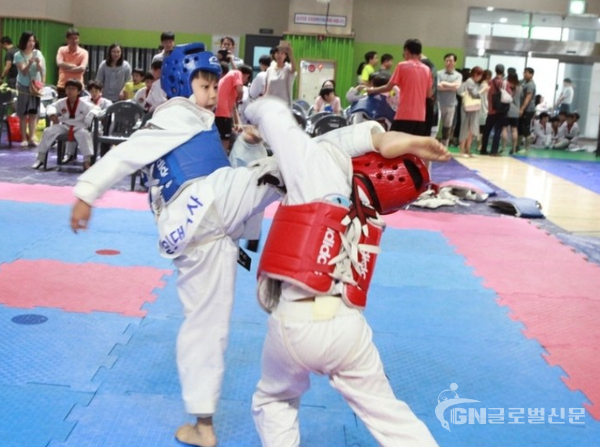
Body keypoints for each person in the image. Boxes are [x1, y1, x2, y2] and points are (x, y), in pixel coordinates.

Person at [69, 44, 286, 447]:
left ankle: (203, 425)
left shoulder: (195, 121)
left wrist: (247, 137)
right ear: (180, 86)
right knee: (285, 165)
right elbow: (128, 155)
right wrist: (86, 193)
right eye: (204, 86)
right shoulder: (174, 116)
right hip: (204, 208)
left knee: (207, 326)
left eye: (212, 86)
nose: (210, 94)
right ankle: (357, 152)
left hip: (208, 234)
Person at [245, 96, 450, 447]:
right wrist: (378, 137)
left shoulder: (317, 168)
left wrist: (249, 110)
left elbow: (277, 116)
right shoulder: (366, 211)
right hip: (346, 328)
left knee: (275, 400)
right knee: (391, 417)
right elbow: (338, 146)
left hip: (294, 322)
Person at [366, 39, 433, 136]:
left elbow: (389, 87)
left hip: (404, 115)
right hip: (421, 117)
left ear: (406, 50)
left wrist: (372, 90)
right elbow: (429, 94)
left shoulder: (402, 66)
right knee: (413, 147)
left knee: (394, 143)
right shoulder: (427, 69)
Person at [31, 79, 96, 170]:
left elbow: (97, 109)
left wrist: (91, 113)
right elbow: (51, 107)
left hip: (79, 126)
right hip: (65, 125)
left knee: (84, 134)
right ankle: (40, 159)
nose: (70, 91)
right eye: (68, 88)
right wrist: (52, 114)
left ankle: (86, 161)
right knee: (48, 131)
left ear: (78, 92)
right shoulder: (61, 102)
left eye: (73, 89)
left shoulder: (85, 104)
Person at [13, 31, 46, 147]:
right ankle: (23, 138)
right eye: (29, 41)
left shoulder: (38, 53)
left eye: (33, 40)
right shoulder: (18, 55)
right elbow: (23, 71)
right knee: (23, 113)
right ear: (24, 42)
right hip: (23, 85)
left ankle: (31, 137)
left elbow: (41, 70)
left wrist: (37, 63)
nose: (31, 43)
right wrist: (30, 62)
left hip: (35, 86)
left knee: (33, 113)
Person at [215, 64, 253, 151]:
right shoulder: (237, 73)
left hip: (218, 112)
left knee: (221, 139)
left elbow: (233, 106)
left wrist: (238, 122)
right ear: (246, 75)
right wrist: (240, 96)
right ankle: (222, 161)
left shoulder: (228, 79)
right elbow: (240, 90)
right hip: (223, 114)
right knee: (225, 141)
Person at [480, 64, 511, 156]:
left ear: (495, 70)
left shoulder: (490, 82)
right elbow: (508, 95)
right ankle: (494, 151)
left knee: (486, 131)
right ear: (503, 71)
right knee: (497, 131)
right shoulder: (505, 83)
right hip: (501, 111)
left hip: (491, 110)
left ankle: (483, 149)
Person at [457, 66, 483, 158]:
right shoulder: (470, 82)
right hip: (468, 108)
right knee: (466, 129)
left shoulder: (470, 82)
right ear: (476, 74)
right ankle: (462, 150)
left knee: (470, 129)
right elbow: (475, 94)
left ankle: (467, 150)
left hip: (471, 108)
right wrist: (483, 90)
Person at [437, 53, 462, 147]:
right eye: (447, 60)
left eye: (451, 61)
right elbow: (438, 87)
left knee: (447, 127)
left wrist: (444, 83)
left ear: (455, 62)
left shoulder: (458, 75)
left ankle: (444, 147)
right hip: (438, 103)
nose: (448, 63)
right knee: (434, 127)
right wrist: (451, 86)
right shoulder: (439, 73)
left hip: (451, 105)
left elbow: (457, 87)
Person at [56, 28, 89, 98]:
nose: (74, 41)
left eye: (76, 38)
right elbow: (59, 63)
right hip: (63, 86)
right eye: (71, 38)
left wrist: (67, 69)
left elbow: (82, 68)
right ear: (67, 40)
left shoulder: (84, 52)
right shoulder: (61, 49)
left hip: (78, 87)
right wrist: (74, 66)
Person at [264, 42, 296, 106]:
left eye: (282, 53)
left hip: (283, 103)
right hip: (271, 103)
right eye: (277, 53)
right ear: (274, 55)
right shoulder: (270, 70)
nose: (279, 55)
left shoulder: (287, 68)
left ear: (285, 56)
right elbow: (266, 88)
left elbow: (294, 69)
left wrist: (290, 54)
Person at [501, 72, 521, 155]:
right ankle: (513, 149)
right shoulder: (520, 88)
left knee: (505, 129)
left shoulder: (506, 86)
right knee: (514, 130)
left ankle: (503, 148)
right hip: (516, 110)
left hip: (506, 110)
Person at [518, 67, 536, 151]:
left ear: (531, 74)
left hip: (528, 109)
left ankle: (527, 148)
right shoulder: (525, 83)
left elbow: (528, 98)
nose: (524, 74)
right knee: (520, 128)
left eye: (526, 73)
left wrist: (522, 109)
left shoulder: (530, 85)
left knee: (524, 127)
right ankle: (517, 146)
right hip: (524, 109)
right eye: (524, 73)